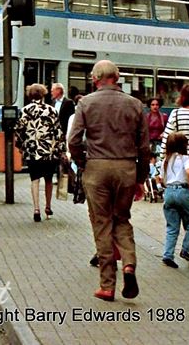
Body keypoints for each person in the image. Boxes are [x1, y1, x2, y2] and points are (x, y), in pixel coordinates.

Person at [69, 60, 149, 301]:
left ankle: (107, 285)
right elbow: (144, 147)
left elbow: (73, 140)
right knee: (122, 219)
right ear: (118, 77)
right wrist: (141, 177)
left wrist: (82, 162)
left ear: (95, 79)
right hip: (126, 167)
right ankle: (129, 264)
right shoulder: (135, 105)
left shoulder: (86, 103)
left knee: (102, 224)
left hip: (96, 168)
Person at [159, 84, 189, 256]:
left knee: (182, 208)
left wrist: (161, 166)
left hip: (177, 168)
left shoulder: (176, 114)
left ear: (183, 97)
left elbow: (166, 140)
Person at [15, 84, 65, 222]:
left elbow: (19, 130)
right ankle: (48, 207)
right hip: (49, 151)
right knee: (48, 179)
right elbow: (58, 132)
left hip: (32, 151)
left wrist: (20, 145)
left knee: (35, 179)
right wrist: (61, 150)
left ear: (29, 95)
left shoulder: (25, 111)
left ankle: (36, 209)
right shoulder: (52, 110)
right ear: (43, 95)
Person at [157, 131, 189, 268]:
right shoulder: (185, 158)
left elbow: (160, 178)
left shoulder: (165, 160)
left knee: (172, 226)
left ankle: (168, 255)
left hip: (169, 192)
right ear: (183, 145)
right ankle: (185, 249)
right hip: (183, 191)